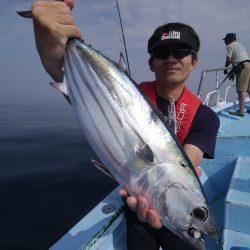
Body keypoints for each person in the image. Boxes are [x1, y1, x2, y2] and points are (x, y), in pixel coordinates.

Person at [31, 1, 220, 249]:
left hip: (155, 201)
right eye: (162, 53)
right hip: (138, 206)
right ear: (151, 63)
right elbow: (69, 81)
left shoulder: (206, 117)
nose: (171, 59)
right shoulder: (123, 92)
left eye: (181, 51)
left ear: (194, 61)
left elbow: (185, 164)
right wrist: (49, 44)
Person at [223, 32, 250, 116]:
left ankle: (241, 111)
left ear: (229, 39)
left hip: (242, 67)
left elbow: (228, 59)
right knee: (249, 88)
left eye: (225, 40)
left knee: (241, 89)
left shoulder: (229, 46)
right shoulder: (240, 45)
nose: (224, 41)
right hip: (248, 64)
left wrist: (225, 68)